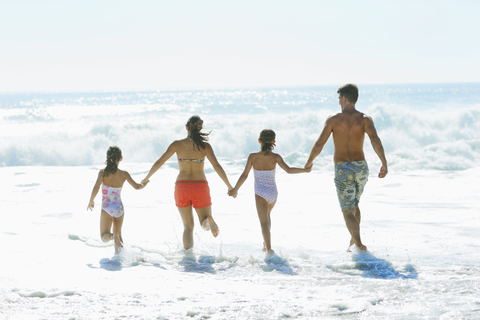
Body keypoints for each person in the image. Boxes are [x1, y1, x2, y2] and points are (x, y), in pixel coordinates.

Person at [305, 84, 387, 252]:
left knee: (347, 210)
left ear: (343, 98)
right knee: (354, 205)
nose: (338, 102)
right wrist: (384, 163)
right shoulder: (365, 119)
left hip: (343, 169)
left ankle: (359, 245)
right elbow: (375, 140)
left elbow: (320, 143)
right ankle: (353, 244)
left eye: (338, 99)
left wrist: (309, 162)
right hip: (361, 169)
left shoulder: (334, 120)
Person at [142, 115, 233, 250]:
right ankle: (208, 220)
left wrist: (146, 178)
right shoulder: (205, 146)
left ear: (186, 127)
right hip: (200, 186)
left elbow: (159, 162)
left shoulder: (177, 145)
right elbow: (217, 166)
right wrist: (230, 186)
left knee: (188, 227)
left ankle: (188, 259)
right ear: (201, 128)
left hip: (182, 187)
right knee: (203, 223)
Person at [228, 129, 312, 255]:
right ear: (274, 141)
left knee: (263, 222)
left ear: (259, 141)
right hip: (273, 193)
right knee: (267, 218)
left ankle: (269, 249)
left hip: (260, 192)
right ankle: (265, 244)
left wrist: (235, 189)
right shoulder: (276, 157)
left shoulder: (253, 157)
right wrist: (305, 170)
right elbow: (288, 170)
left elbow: (245, 175)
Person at [87, 146, 147, 253]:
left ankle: (112, 237)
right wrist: (143, 184)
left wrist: (91, 200)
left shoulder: (103, 173)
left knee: (104, 236)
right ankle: (120, 257)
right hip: (119, 208)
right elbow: (137, 187)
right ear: (121, 158)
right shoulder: (124, 174)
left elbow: (96, 187)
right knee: (119, 235)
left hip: (107, 208)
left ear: (107, 157)